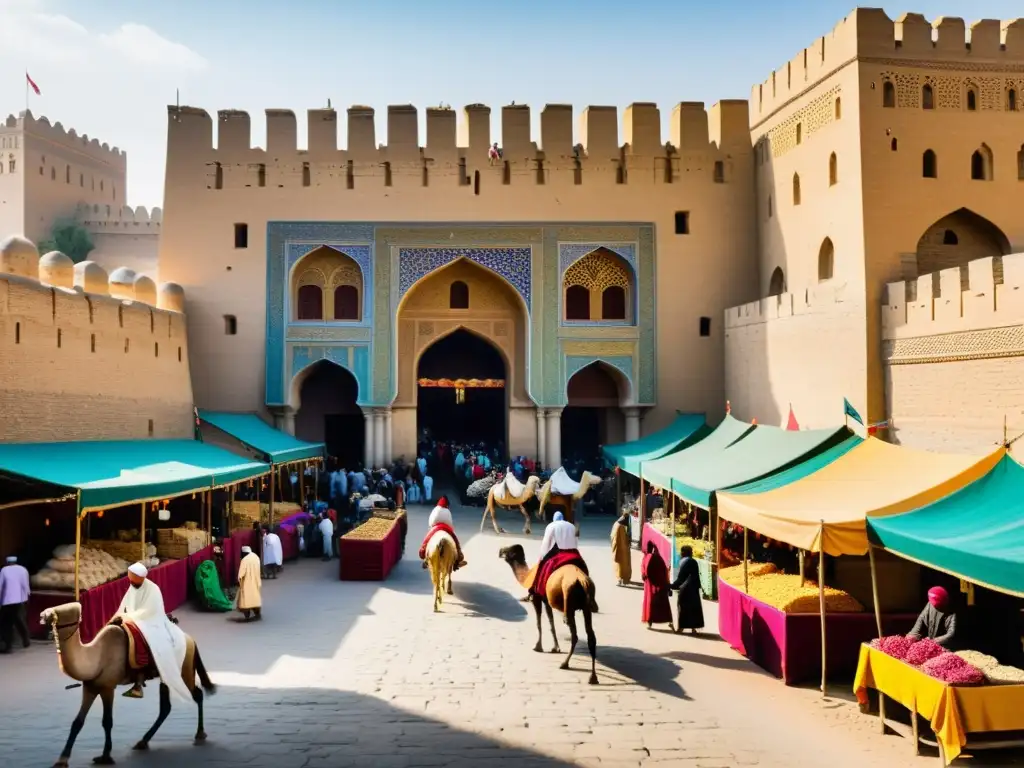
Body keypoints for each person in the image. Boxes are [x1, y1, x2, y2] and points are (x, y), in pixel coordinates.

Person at [111, 562, 192, 702]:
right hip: (132, 619)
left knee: (140, 638)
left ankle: (139, 682)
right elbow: (123, 606)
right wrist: (115, 618)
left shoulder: (153, 589)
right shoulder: (132, 587)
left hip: (151, 622)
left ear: (141, 578)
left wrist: (128, 617)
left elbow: (148, 611)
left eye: (134, 581)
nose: (132, 584)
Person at [419, 496, 467, 570]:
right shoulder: (447, 511)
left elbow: (431, 521)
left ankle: (424, 556)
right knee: (455, 540)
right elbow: (450, 523)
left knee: (427, 539)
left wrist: (432, 527)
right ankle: (458, 558)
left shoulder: (435, 510)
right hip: (447, 528)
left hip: (435, 528)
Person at [670, 545, 705, 634]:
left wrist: (672, 585)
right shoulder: (694, 561)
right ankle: (693, 628)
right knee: (693, 609)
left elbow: (681, 578)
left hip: (685, 590)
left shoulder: (684, 562)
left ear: (683, 553)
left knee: (683, 608)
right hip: (694, 589)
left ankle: (681, 628)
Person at [0, 555, 31, 654]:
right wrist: (27, 596)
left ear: (7, 562)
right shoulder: (23, 569)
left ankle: (7, 645)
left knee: (6, 623)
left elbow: (1, 585)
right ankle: (26, 639)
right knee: (19, 619)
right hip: (20, 599)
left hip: (7, 600)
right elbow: (26, 584)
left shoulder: (4, 570)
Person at [641, 541, 673, 630]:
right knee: (663, 604)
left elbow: (644, 573)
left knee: (650, 603)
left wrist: (646, 578)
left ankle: (650, 621)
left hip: (649, 585)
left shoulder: (646, 558)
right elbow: (665, 570)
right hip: (660, 584)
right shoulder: (659, 558)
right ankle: (669, 621)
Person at [236, 545, 262, 621]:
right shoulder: (256, 557)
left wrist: (239, 581)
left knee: (246, 601)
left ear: (244, 553)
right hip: (256, 582)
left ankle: (247, 617)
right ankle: (257, 614)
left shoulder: (244, 560)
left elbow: (241, 574)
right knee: (255, 599)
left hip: (247, 584)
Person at [610, 512, 632, 586]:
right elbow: (623, 540)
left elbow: (612, 536)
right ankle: (622, 580)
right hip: (622, 549)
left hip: (618, 548)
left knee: (619, 564)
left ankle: (620, 579)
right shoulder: (621, 527)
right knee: (623, 565)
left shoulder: (616, 524)